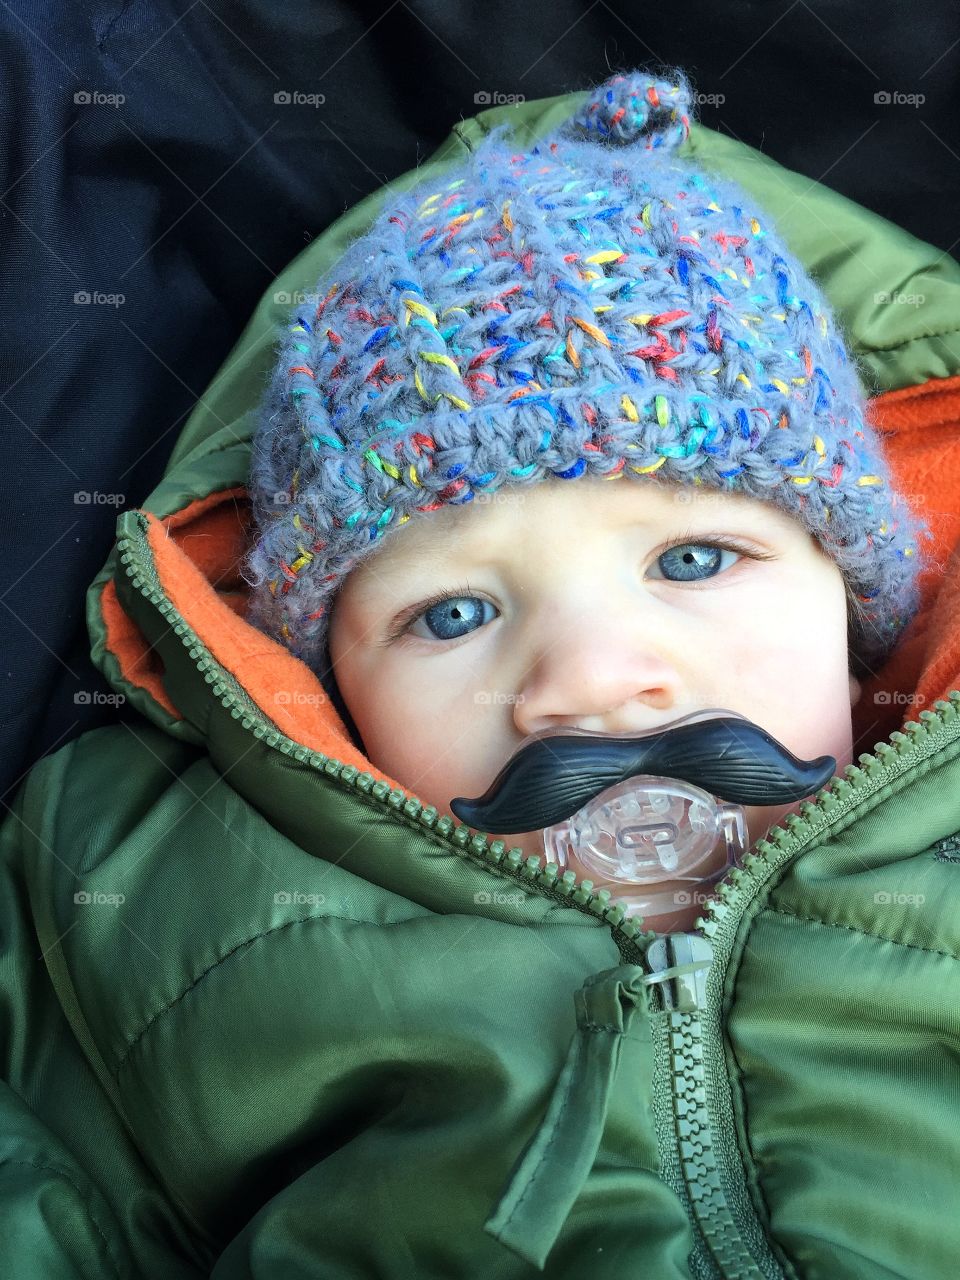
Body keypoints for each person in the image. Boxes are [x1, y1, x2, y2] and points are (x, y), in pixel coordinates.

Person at [4, 65, 960, 1280]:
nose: (595, 678)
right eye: (451, 611)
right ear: (333, 691)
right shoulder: (156, 904)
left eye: (695, 555)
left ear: (856, 609)